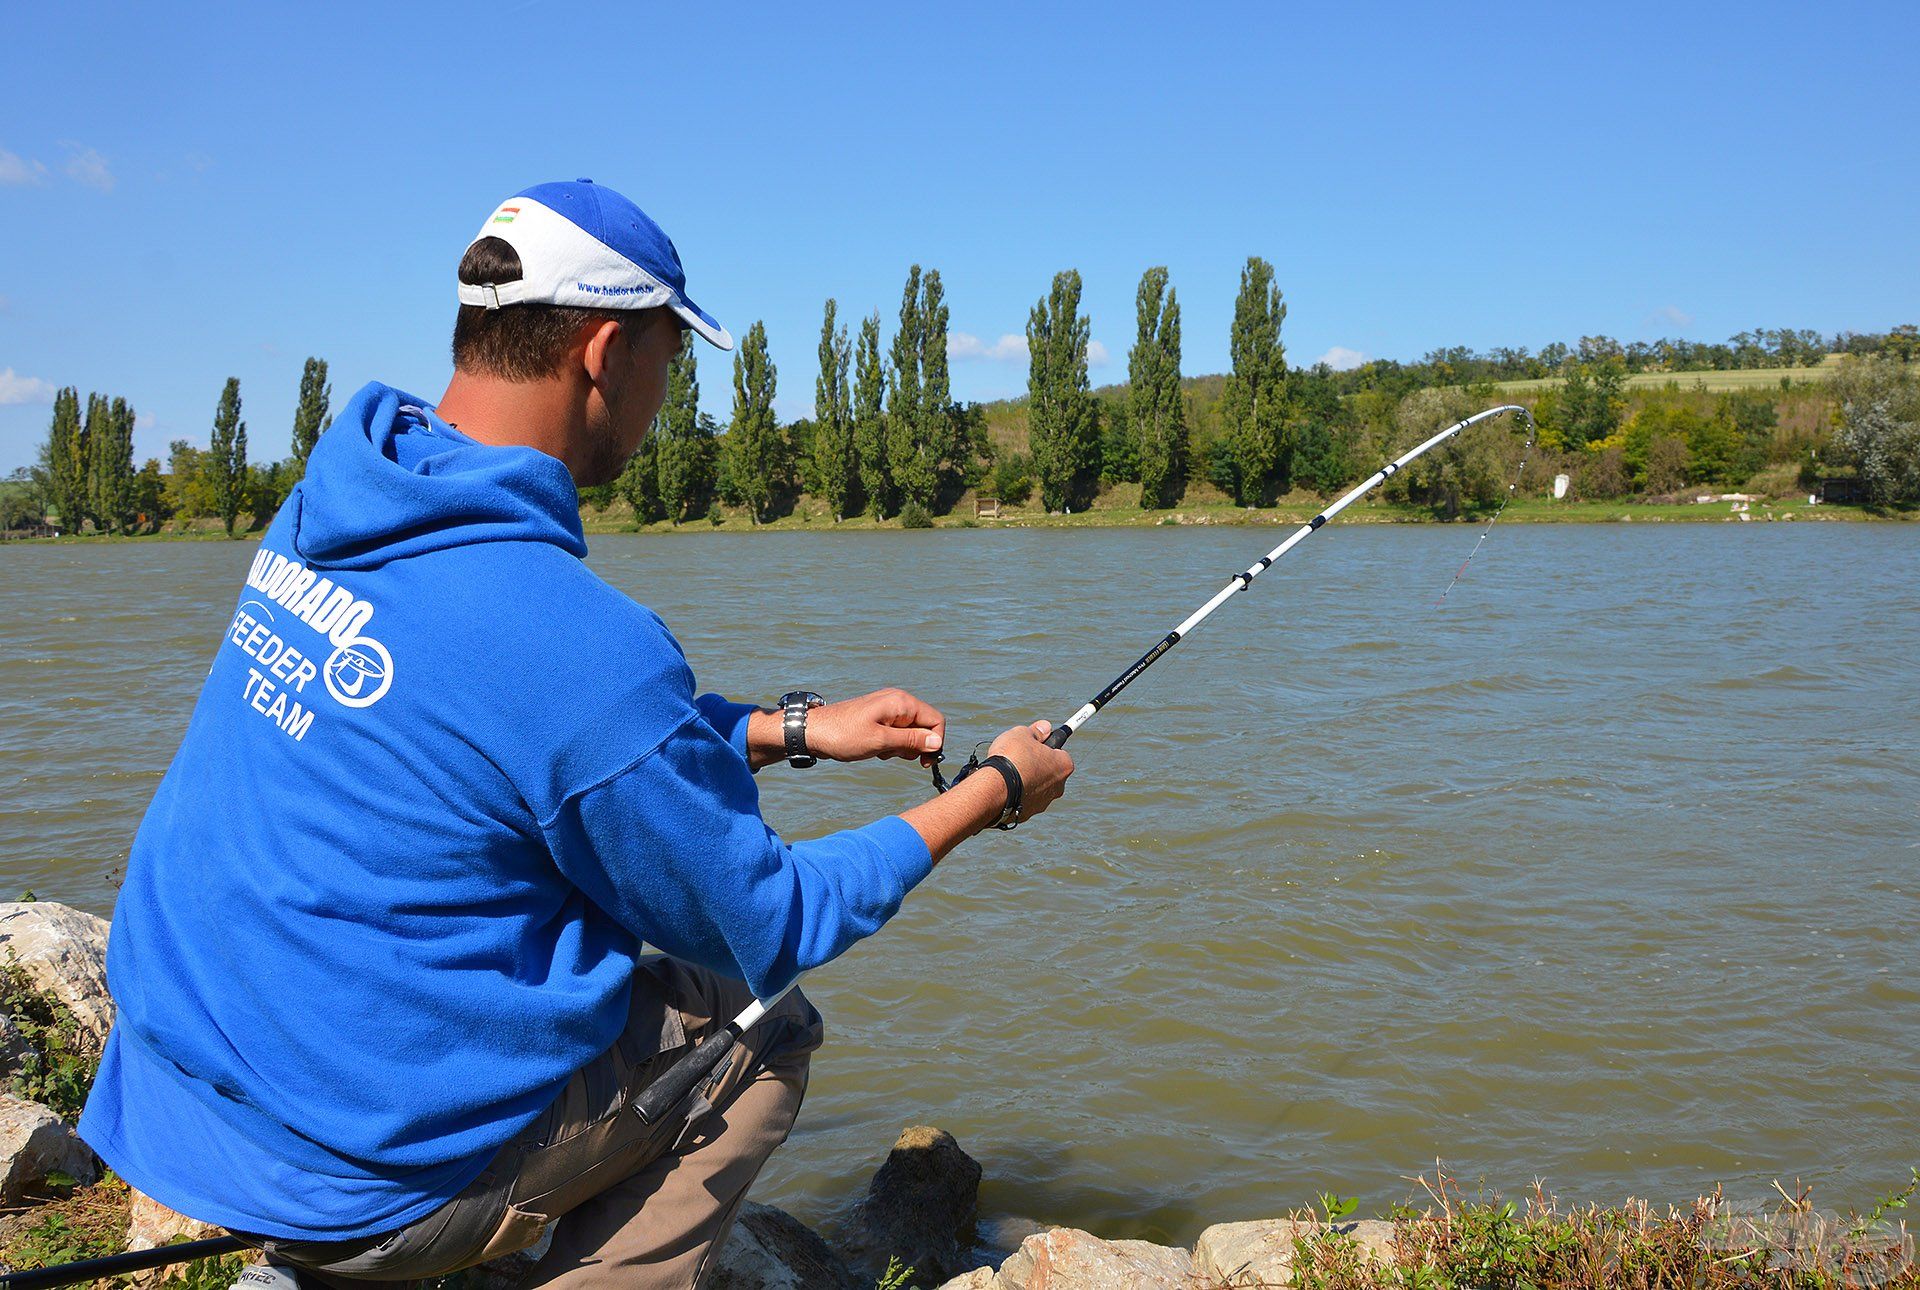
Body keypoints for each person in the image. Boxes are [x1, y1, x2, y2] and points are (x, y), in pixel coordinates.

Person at [78, 179, 1074, 1288]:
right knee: (760, 1025)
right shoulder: (572, 637)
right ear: (604, 351)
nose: (665, 396)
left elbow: (520, 738)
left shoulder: (340, 499)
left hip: (172, 1096)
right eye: (669, 360)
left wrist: (792, 729)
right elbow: (774, 918)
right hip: (347, 1179)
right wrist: (990, 788)